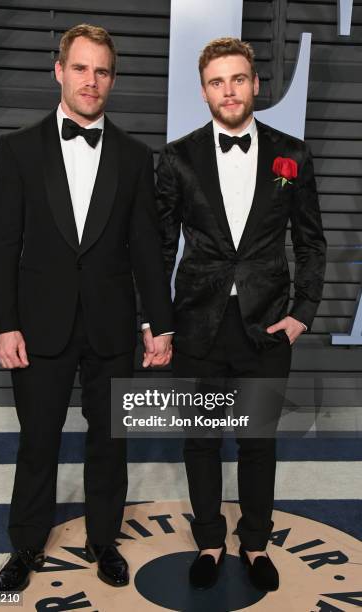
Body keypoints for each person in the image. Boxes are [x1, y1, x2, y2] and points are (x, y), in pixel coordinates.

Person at [0, 24, 173, 592]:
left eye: (102, 71)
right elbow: (3, 243)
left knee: (110, 439)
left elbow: (147, 248)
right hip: (38, 323)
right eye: (81, 68)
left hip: (111, 324)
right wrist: (6, 324)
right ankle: (25, 544)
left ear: (112, 80)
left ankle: (103, 539)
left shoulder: (136, 156)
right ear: (59, 70)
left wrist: (159, 323)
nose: (91, 81)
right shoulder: (17, 147)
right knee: (37, 439)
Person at [155, 37, 326, 591]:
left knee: (258, 443)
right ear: (203, 91)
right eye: (216, 82)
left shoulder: (291, 154)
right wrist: (156, 321)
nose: (228, 91)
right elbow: (159, 248)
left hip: (268, 324)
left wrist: (302, 312)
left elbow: (311, 242)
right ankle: (209, 540)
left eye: (237, 79)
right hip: (198, 323)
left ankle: (255, 544)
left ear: (255, 84)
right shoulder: (177, 157)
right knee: (201, 441)